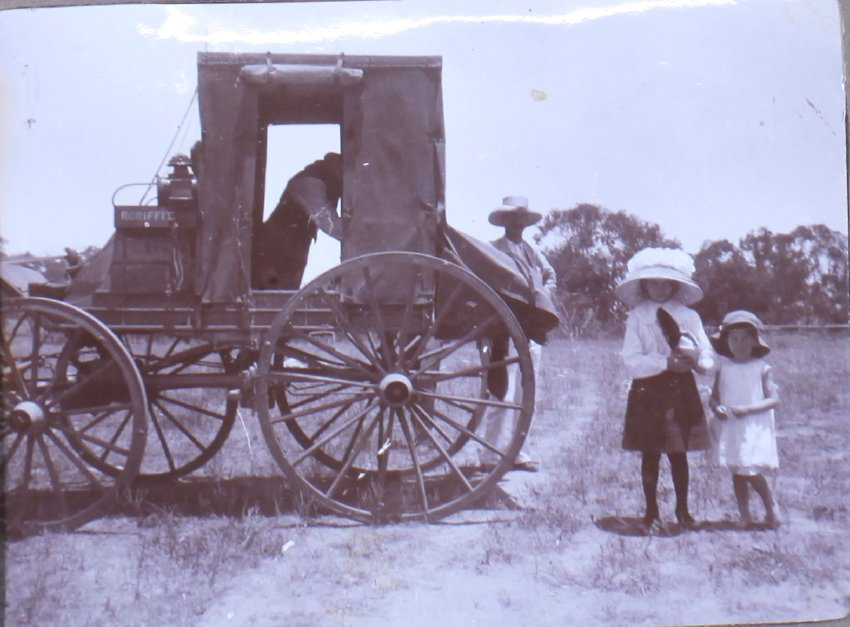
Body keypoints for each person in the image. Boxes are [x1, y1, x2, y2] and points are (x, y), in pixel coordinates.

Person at [615, 247, 714, 531]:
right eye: (653, 281)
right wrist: (664, 363)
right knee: (650, 451)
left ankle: (683, 510)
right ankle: (651, 512)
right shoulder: (637, 316)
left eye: (665, 281)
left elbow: (706, 353)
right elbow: (631, 359)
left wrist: (698, 362)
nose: (659, 287)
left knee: (678, 451)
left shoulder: (688, 316)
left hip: (680, 388)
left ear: (676, 284)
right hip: (648, 388)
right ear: (643, 284)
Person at [480, 196, 556, 473]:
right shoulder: (491, 250)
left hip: (529, 329)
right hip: (503, 330)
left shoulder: (532, 251)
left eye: (521, 221)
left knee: (527, 393)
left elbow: (550, 274)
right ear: (504, 222)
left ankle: (518, 452)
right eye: (512, 220)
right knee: (502, 393)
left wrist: (542, 294)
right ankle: (490, 455)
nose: (517, 225)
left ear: (525, 224)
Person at [708, 310, 780, 529]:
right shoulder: (724, 368)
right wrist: (716, 408)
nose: (739, 344)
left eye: (745, 339)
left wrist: (749, 409)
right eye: (734, 339)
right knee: (736, 469)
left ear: (754, 341)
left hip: (752, 425)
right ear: (727, 342)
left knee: (749, 469)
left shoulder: (762, 368)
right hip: (731, 424)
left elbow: (774, 399)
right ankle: (744, 514)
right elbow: (714, 398)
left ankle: (770, 505)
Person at [252, 152, 343, 289]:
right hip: (278, 249)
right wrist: (364, 238)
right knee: (279, 294)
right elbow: (330, 224)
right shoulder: (310, 183)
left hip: (293, 246)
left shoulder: (318, 179)